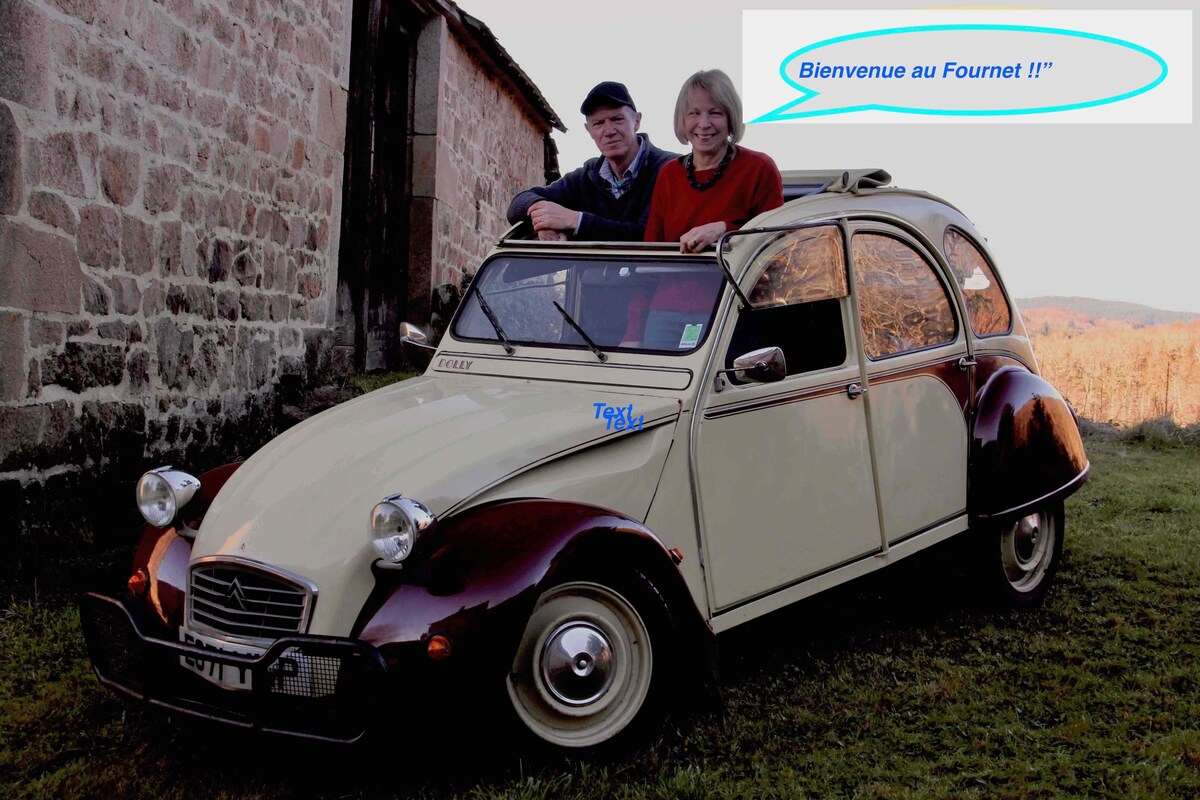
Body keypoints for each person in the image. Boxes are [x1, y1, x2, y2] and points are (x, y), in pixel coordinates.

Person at [507, 81, 678, 242]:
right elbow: (518, 205)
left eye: (617, 119)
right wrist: (544, 216)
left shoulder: (671, 169)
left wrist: (576, 221)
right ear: (588, 130)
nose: (609, 131)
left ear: (637, 121)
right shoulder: (587, 176)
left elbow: (648, 235)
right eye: (598, 123)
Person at [644, 69, 784, 252]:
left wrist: (725, 231)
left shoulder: (759, 168)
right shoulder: (668, 174)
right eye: (693, 113)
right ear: (682, 120)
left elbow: (776, 243)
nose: (703, 123)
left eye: (715, 113)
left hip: (733, 280)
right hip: (672, 279)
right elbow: (651, 250)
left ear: (731, 119)